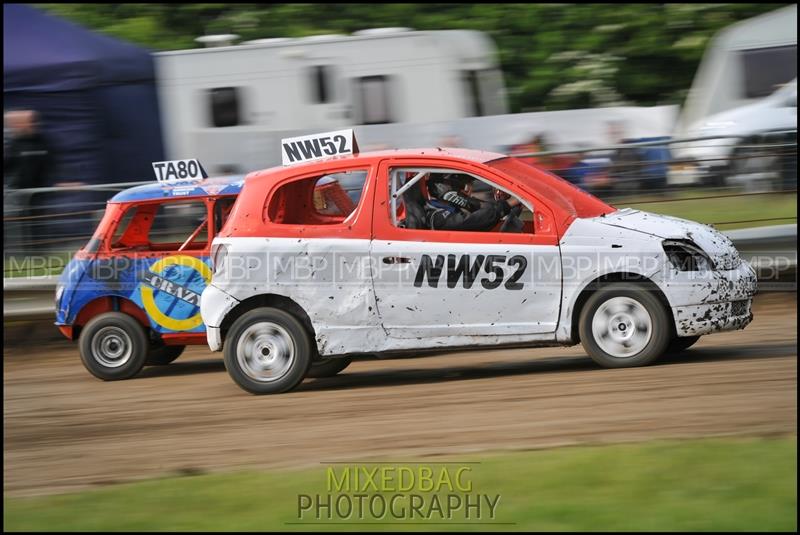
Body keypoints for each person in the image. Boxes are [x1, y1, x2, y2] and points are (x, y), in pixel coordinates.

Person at [423, 172, 521, 232]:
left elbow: (482, 207)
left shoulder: (450, 208)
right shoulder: (437, 217)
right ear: (445, 188)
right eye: (466, 186)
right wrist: (510, 203)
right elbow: (476, 220)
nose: (469, 192)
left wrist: (507, 204)